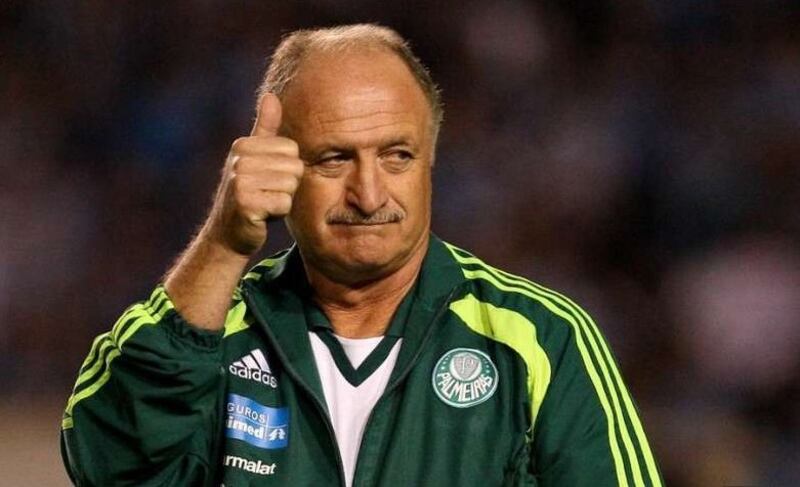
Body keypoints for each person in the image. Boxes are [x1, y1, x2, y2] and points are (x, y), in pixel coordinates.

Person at [60, 24, 662, 487]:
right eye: (334, 158)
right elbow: (109, 464)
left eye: (397, 156)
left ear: (430, 160)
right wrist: (223, 243)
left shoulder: (540, 341)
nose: (369, 195)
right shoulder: (219, 337)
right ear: (281, 167)